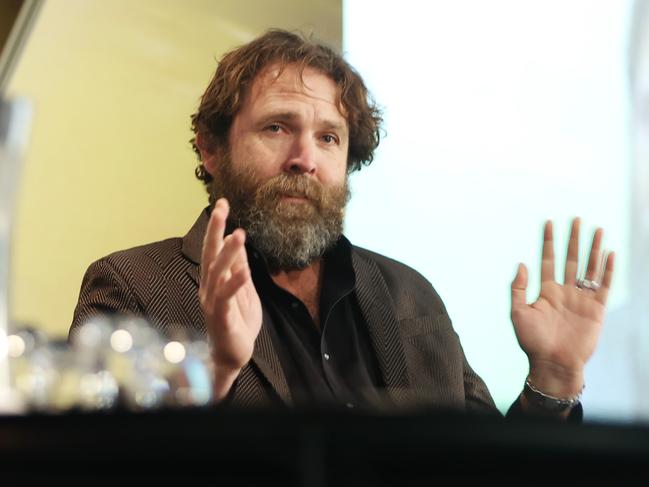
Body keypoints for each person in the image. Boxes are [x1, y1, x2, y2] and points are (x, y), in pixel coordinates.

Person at [70, 29, 614, 418]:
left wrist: (555, 377)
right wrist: (214, 374)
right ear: (211, 149)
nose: (305, 157)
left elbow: (485, 472)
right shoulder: (134, 286)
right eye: (278, 127)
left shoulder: (410, 296)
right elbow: (95, 467)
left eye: (329, 137)